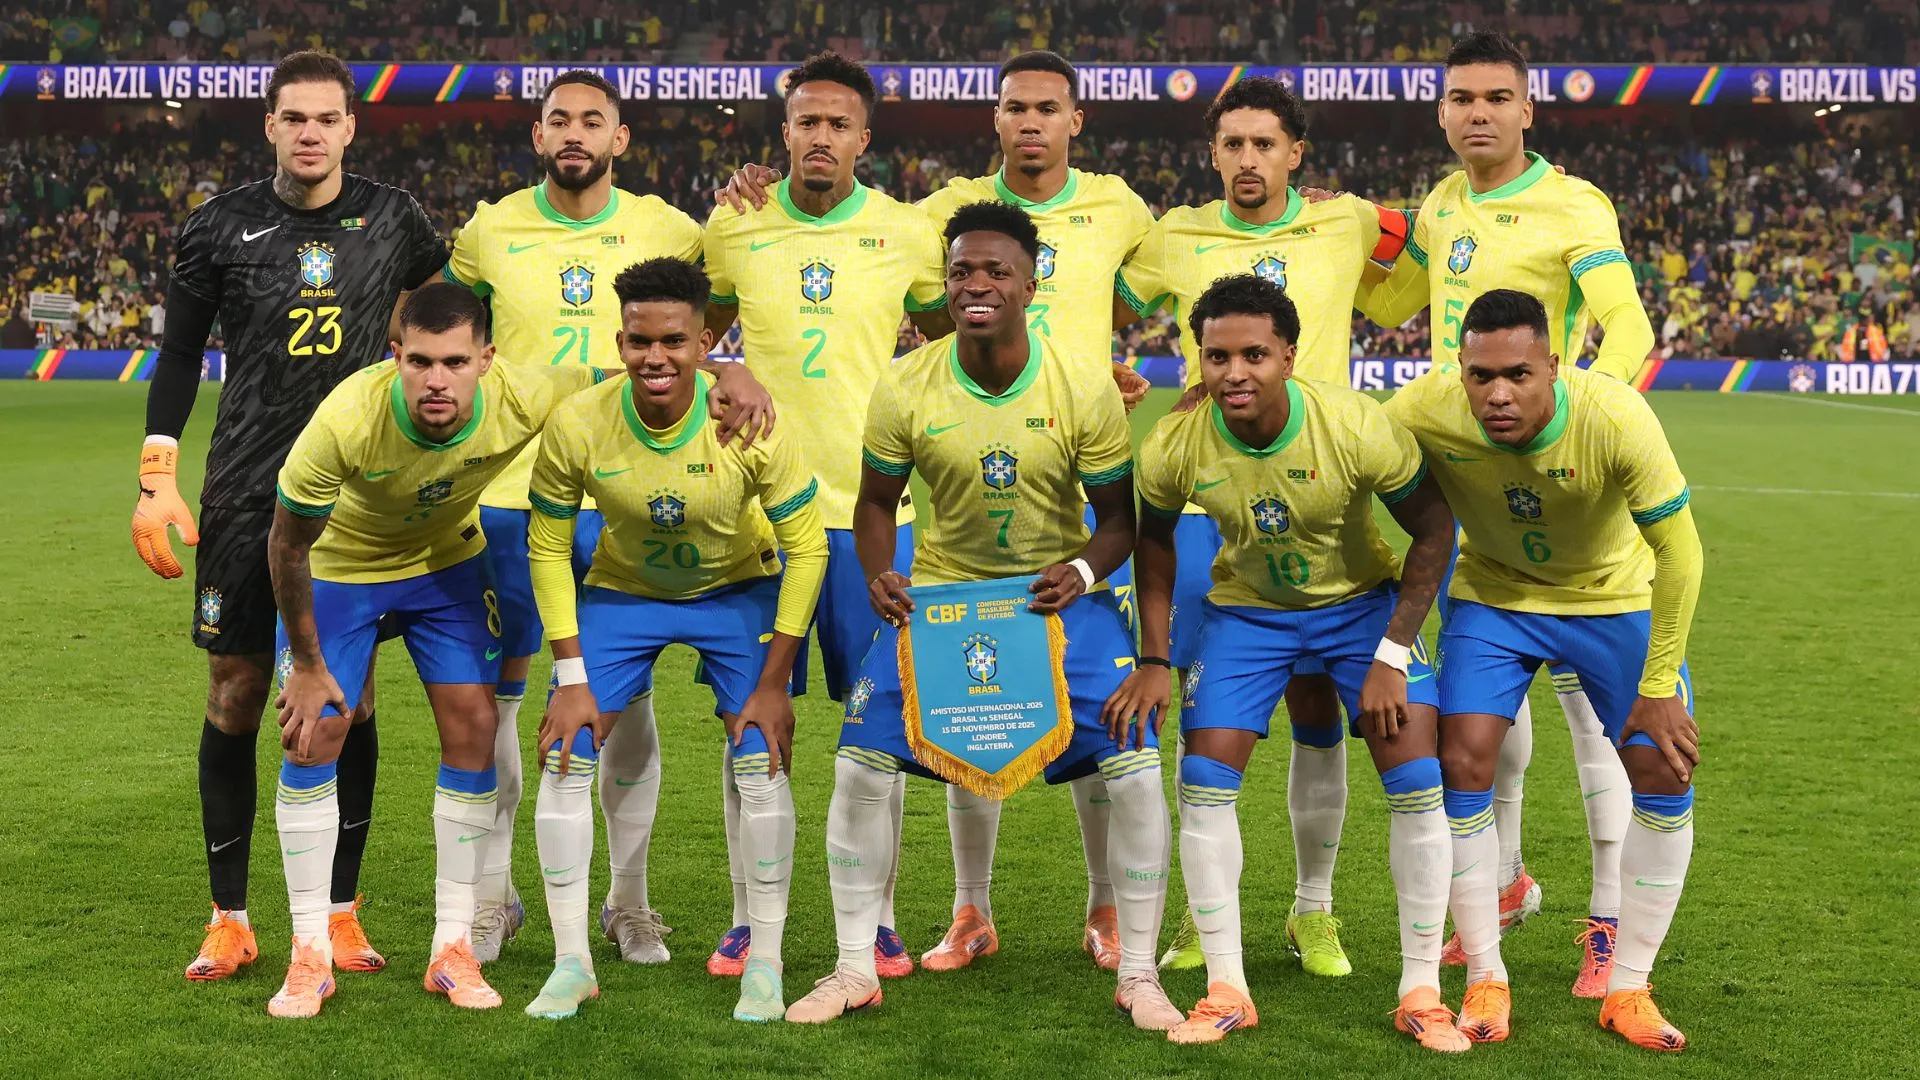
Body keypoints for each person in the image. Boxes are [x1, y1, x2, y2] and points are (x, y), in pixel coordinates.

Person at [715, 48, 1156, 975]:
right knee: (917, 712)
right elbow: (677, 317)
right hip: (871, 498)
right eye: (1014, 108)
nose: (1030, 121)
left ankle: (1105, 909)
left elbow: (1187, 285)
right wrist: (724, 354)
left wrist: (1167, 373)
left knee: (1067, 718)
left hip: (1067, 459)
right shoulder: (907, 219)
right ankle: (942, 911)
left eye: (1048, 108)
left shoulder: (1119, 208)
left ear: (1078, 120)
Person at [784, 202, 1177, 1030]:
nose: (977, 284)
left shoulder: (1080, 383)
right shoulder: (907, 379)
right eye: (962, 270)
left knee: (1134, 755)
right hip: (943, 601)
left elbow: (1119, 520)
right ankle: (856, 965)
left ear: (1031, 285)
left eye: (997, 270)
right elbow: (876, 502)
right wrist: (879, 571)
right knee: (859, 762)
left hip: (1055, 604)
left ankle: (1138, 970)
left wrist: (1077, 569)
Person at [443, 67, 773, 968]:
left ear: (620, 138)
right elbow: (442, 326)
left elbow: (713, 325)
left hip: (634, 493)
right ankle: (494, 898)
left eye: (594, 119)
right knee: (506, 707)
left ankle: (628, 902)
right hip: (513, 499)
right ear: (538, 135)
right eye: (560, 120)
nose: (576, 132)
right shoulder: (489, 230)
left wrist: (732, 369)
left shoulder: (670, 227)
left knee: (623, 712)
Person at [131, 51, 447, 983]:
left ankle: (343, 912)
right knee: (234, 689)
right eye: (293, 117)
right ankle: (229, 916)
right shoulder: (218, 226)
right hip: (244, 490)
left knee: (351, 696)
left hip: (360, 495)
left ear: (353, 127)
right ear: (269, 125)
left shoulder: (397, 219)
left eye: (327, 118)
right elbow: (181, 357)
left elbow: (447, 323)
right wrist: (158, 474)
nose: (310, 132)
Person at [1362, 31, 1658, 991]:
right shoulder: (1442, 201)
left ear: (1528, 109)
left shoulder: (1573, 204)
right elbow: (1391, 299)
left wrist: (1585, 423)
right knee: (1489, 710)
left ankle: (1607, 921)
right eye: (1460, 98)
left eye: (1497, 96)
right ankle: (1509, 880)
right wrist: (1337, 235)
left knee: (1590, 721)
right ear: (1441, 112)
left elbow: (1632, 326)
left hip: (1558, 485)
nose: (1477, 111)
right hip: (1466, 478)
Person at [1111, 273, 1463, 1050]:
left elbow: (1434, 530)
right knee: (1203, 783)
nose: (1234, 373)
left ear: (1289, 357)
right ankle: (1227, 986)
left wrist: (1392, 652)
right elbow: (1155, 542)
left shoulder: (1352, 424)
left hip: (1360, 607)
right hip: (1248, 613)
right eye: (1216, 356)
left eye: (1254, 355)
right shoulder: (1174, 444)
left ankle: (1421, 991)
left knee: (1415, 779)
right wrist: (1156, 657)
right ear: (1196, 360)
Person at [1115, 73, 1415, 976]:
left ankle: (1310, 911)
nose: (1249, 159)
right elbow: (1101, 301)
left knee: (1319, 712)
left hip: (1324, 497)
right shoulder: (1175, 235)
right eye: (1233, 144)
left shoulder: (1346, 220)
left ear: (1297, 154)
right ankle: (1198, 918)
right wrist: (1120, 369)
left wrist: (1382, 222)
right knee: (1197, 712)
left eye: (1265, 144)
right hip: (1215, 504)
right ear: (1213, 154)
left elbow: (1412, 278)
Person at [263, 282, 604, 1018]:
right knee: (313, 735)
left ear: (486, 359)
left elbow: (618, 382)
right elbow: (287, 543)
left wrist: (725, 373)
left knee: (475, 727)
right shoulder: (347, 419)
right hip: (341, 570)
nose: (437, 380)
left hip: (446, 564)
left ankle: (451, 947)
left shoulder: (524, 393)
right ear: (397, 356)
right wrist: (307, 663)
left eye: (455, 361)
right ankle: (308, 953)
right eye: (419, 361)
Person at [1384, 289, 1702, 1051]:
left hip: (1611, 598)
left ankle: (1629, 988)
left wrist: (1659, 687)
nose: (1498, 393)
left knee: (1663, 770)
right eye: (1480, 375)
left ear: (1553, 367)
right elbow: (1345, 439)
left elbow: (1681, 553)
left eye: (1519, 374)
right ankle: (1485, 976)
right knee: (1460, 760)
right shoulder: (1424, 408)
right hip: (1494, 599)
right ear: (1459, 371)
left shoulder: (1614, 415)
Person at [699, 51, 951, 979]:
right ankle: (744, 916)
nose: (820, 138)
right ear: (785, 132)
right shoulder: (737, 225)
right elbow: (679, 327)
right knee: (751, 723)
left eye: (839, 125)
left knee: (876, 729)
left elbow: (953, 338)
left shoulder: (908, 232)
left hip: (873, 518)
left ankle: (877, 919)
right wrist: (722, 365)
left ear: (865, 140)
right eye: (806, 122)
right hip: (752, 515)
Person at [522, 258, 826, 1022]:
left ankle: (766, 961)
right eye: (638, 342)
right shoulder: (579, 421)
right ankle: (571, 965)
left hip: (735, 592)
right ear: (619, 339)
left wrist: (773, 681)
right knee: (566, 752)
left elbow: (809, 548)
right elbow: (548, 546)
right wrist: (569, 676)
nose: (654, 358)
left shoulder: (749, 423)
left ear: (705, 343)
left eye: (673, 342)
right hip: (625, 594)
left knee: (760, 759)